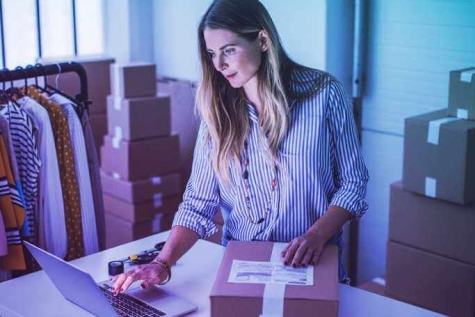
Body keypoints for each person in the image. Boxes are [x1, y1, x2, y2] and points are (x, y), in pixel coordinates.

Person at [112, 0, 369, 295]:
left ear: (261, 40)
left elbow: (353, 183)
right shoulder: (218, 113)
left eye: (229, 50)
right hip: (243, 273)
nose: (219, 65)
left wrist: (316, 236)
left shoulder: (325, 94)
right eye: (212, 54)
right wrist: (163, 263)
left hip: (311, 268)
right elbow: (198, 203)